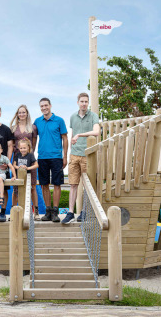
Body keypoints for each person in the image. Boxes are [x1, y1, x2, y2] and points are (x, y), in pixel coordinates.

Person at [61, 93, 100, 224]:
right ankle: (71, 212)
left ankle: (84, 211)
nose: (84, 104)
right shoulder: (73, 117)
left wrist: (79, 135)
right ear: (77, 102)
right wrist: (72, 144)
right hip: (74, 154)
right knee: (73, 184)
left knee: (86, 185)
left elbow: (96, 132)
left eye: (86, 101)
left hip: (87, 155)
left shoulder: (93, 116)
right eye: (82, 101)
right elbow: (72, 134)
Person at [34, 98, 68, 222]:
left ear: (50, 106)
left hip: (57, 157)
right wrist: (32, 155)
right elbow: (33, 138)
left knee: (57, 184)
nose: (44, 108)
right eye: (42, 106)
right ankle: (48, 212)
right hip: (42, 157)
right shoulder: (37, 121)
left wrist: (65, 156)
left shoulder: (59, 121)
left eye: (46, 105)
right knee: (44, 185)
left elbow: (65, 139)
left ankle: (55, 212)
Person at [10, 105, 40, 220]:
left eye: (23, 112)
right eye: (19, 112)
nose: (21, 114)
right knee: (16, 188)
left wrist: (29, 154)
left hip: (29, 159)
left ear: (27, 114)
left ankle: (36, 212)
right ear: (17, 114)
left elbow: (33, 143)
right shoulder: (13, 128)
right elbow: (12, 145)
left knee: (32, 187)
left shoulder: (32, 127)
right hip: (17, 158)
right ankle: (13, 211)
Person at [13, 139, 39, 218]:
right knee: (15, 191)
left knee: (31, 190)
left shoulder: (30, 155)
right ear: (19, 148)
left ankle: (36, 211)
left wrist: (27, 168)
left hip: (28, 176)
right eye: (21, 148)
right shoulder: (17, 155)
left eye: (24, 148)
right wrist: (19, 167)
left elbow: (36, 165)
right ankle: (13, 210)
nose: (23, 150)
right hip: (19, 176)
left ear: (28, 148)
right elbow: (14, 164)